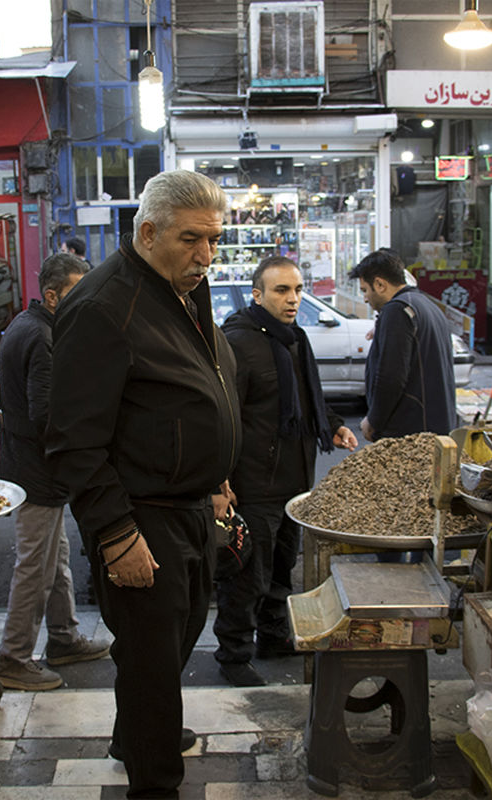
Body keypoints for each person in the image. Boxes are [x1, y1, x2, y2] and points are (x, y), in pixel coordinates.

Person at [47, 170, 240, 799]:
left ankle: (133, 738)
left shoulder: (185, 286)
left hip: (189, 506)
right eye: (192, 239)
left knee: (177, 644)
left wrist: (215, 478)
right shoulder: (103, 307)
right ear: (148, 231)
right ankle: (154, 781)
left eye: (214, 239)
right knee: (154, 672)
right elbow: (73, 441)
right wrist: (115, 533)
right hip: (142, 518)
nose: (206, 256)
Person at [213, 256, 357, 687]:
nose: (293, 298)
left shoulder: (293, 338)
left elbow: (305, 397)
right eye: (281, 290)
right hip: (253, 484)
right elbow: (222, 417)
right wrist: (219, 484)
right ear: (258, 295)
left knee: (281, 568)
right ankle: (233, 655)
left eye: (297, 289)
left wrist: (333, 426)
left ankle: (273, 637)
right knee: (246, 575)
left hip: (294, 479)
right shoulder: (237, 342)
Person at [0, 253, 109, 690]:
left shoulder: (28, 324)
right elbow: (47, 416)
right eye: (76, 294)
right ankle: (14, 656)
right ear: (51, 295)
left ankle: (63, 637)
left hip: (34, 470)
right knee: (35, 567)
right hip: (36, 474)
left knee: (56, 558)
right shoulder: (41, 337)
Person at [350, 248, 457, 441]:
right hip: (434, 428)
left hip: (412, 433)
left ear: (380, 284)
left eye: (365, 290)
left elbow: (390, 377)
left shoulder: (398, 311)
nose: (365, 298)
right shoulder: (423, 304)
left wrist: (373, 420)